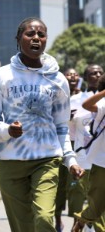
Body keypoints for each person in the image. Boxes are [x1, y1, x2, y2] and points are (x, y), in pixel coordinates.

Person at [0, 17, 84, 232]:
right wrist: (6, 130)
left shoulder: (58, 80)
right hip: (11, 161)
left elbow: (62, 125)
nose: (36, 38)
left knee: (45, 218)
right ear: (18, 39)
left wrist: (70, 159)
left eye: (41, 34)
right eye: (30, 34)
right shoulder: (1, 76)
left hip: (46, 160)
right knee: (22, 226)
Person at [68, 65, 105, 232]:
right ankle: (82, 221)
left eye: (99, 73)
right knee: (95, 204)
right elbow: (87, 105)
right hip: (94, 159)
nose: (96, 75)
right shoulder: (97, 102)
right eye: (92, 73)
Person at [54, 68, 82, 232]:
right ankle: (57, 218)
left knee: (76, 185)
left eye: (75, 74)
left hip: (78, 145)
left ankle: (76, 222)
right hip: (59, 143)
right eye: (69, 74)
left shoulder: (84, 97)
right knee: (59, 184)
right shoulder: (58, 95)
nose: (72, 76)